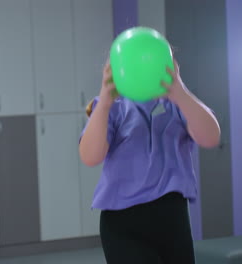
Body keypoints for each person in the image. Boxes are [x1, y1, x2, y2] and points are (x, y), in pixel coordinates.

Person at [79, 58, 220, 264]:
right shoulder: (113, 107)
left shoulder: (179, 105)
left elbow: (211, 137)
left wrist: (180, 93)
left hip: (172, 217)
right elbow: (90, 157)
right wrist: (105, 103)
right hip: (123, 222)